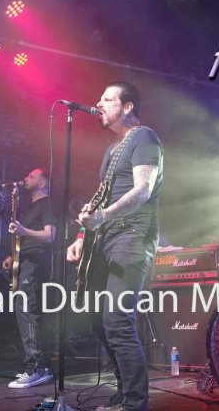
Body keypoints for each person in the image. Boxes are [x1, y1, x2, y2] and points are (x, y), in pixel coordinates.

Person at [67, 81, 163, 411]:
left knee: (118, 320)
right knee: (97, 317)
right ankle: (124, 394)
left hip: (132, 236)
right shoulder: (112, 151)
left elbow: (143, 189)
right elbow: (101, 199)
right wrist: (82, 236)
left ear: (127, 107)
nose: (99, 103)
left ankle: (135, 404)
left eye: (108, 99)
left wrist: (104, 216)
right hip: (104, 239)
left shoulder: (144, 137)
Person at [1, 167, 57, 388]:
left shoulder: (47, 203)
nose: (25, 178)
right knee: (24, 309)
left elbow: (50, 235)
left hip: (36, 261)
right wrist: (12, 255)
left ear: (42, 183)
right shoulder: (30, 208)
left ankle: (37, 368)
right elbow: (23, 237)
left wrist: (24, 232)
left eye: (31, 176)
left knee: (26, 308)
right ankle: (40, 367)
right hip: (24, 261)